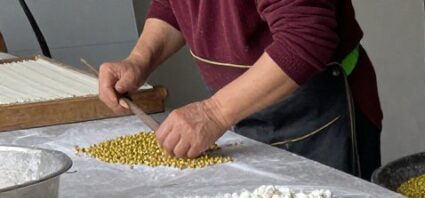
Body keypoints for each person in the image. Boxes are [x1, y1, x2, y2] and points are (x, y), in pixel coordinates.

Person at [98, 0, 382, 179]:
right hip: (241, 112)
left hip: (317, 114)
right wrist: (138, 60)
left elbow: (304, 38)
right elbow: (173, 6)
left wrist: (214, 113)